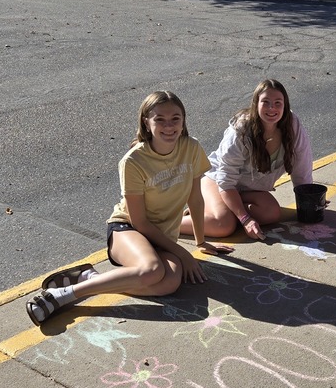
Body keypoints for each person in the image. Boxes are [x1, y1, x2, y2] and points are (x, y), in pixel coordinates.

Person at [26, 91, 232, 325]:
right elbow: (140, 222)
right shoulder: (133, 161)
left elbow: (195, 199)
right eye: (160, 119)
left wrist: (200, 241)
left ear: (184, 120)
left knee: (170, 283)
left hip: (161, 238)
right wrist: (182, 252)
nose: (169, 126)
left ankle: (90, 277)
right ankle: (63, 295)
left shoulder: (191, 148)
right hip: (128, 229)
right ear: (146, 121)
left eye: (175, 118)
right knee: (152, 271)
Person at [180, 79, 314, 241]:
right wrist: (245, 219)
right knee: (224, 225)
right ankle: (163, 225)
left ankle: (215, 209)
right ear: (255, 104)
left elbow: (301, 167)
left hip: (246, 189)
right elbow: (226, 180)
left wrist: (309, 198)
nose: (272, 108)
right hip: (217, 181)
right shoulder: (241, 131)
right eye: (265, 102)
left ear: (285, 105)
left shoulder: (292, 126)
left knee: (271, 213)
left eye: (278, 103)